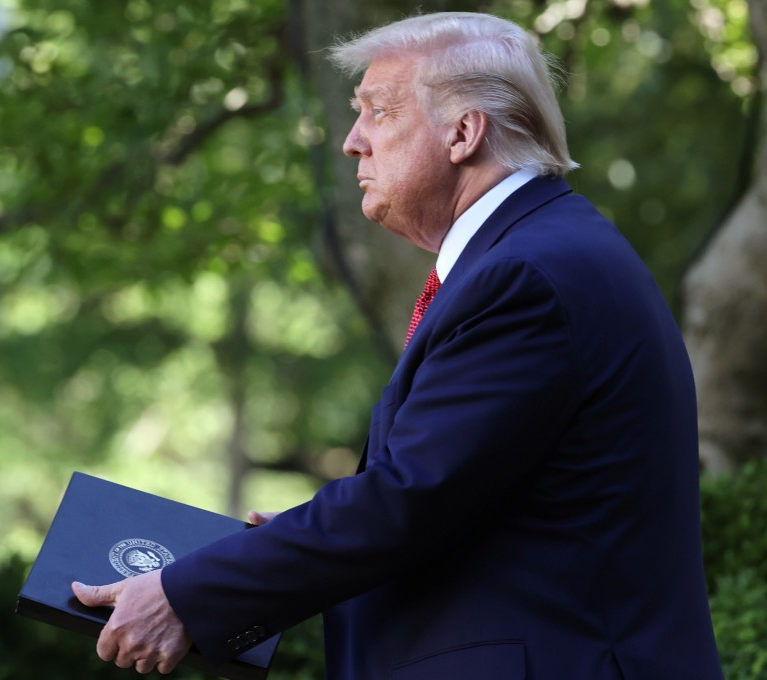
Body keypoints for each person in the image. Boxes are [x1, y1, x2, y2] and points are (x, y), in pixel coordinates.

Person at [71, 12, 724, 679]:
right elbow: (463, 502)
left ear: (463, 133)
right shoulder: (538, 253)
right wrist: (284, 548)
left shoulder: (524, 275)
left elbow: (405, 502)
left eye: (378, 113)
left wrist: (185, 594)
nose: (353, 141)